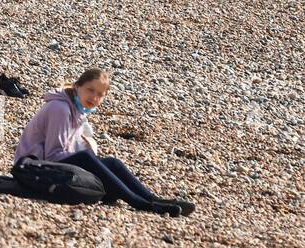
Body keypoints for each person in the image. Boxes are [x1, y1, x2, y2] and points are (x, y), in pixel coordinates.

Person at [13, 68, 194, 216]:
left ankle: (153, 199)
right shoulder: (60, 109)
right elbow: (53, 154)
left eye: (100, 94)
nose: (94, 97)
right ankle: (140, 203)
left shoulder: (76, 111)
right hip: (30, 167)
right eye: (90, 90)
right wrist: (89, 160)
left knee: (112, 163)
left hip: (48, 163)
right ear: (77, 87)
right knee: (86, 158)